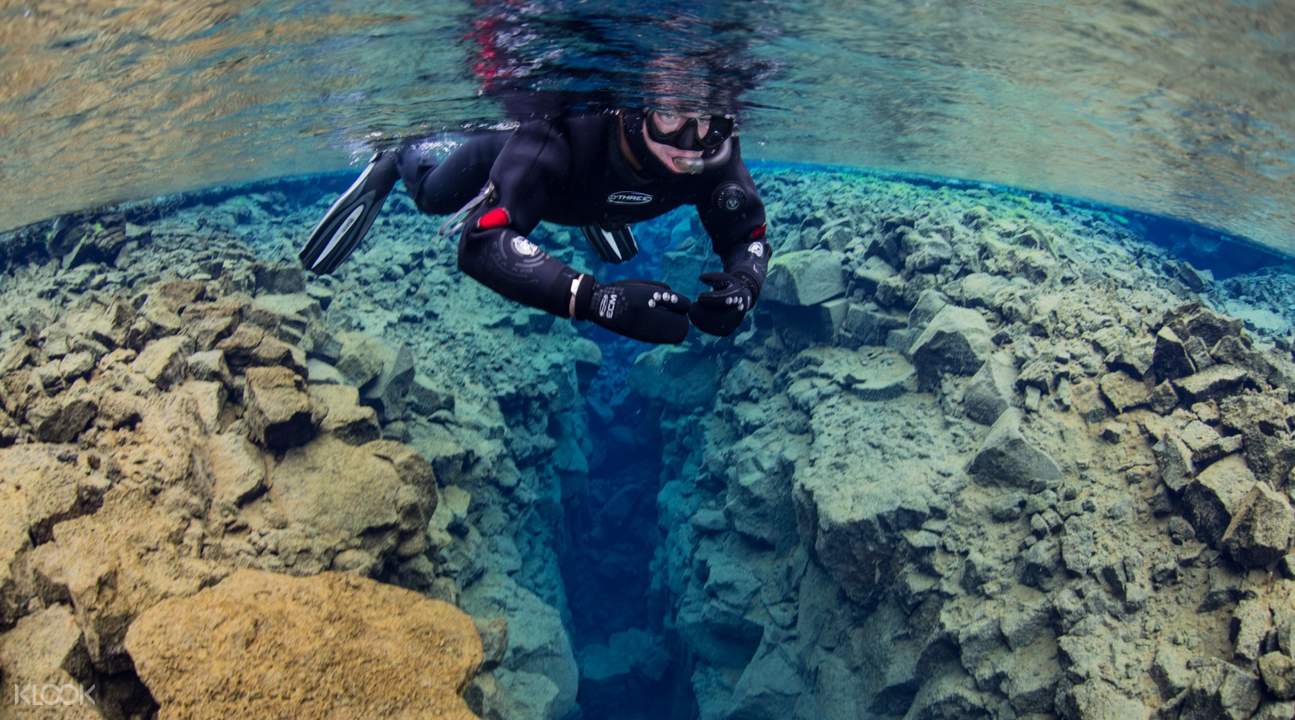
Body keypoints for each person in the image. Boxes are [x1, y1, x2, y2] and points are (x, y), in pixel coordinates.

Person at [298, 108, 771, 344]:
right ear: (632, 109)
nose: (687, 143)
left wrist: (744, 284)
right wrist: (596, 301)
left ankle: (599, 211)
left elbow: (746, 236)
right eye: (668, 116)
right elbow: (482, 240)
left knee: (607, 208)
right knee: (432, 198)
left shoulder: (716, 155)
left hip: (590, 196)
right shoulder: (563, 133)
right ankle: (398, 156)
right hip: (524, 166)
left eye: (706, 123)